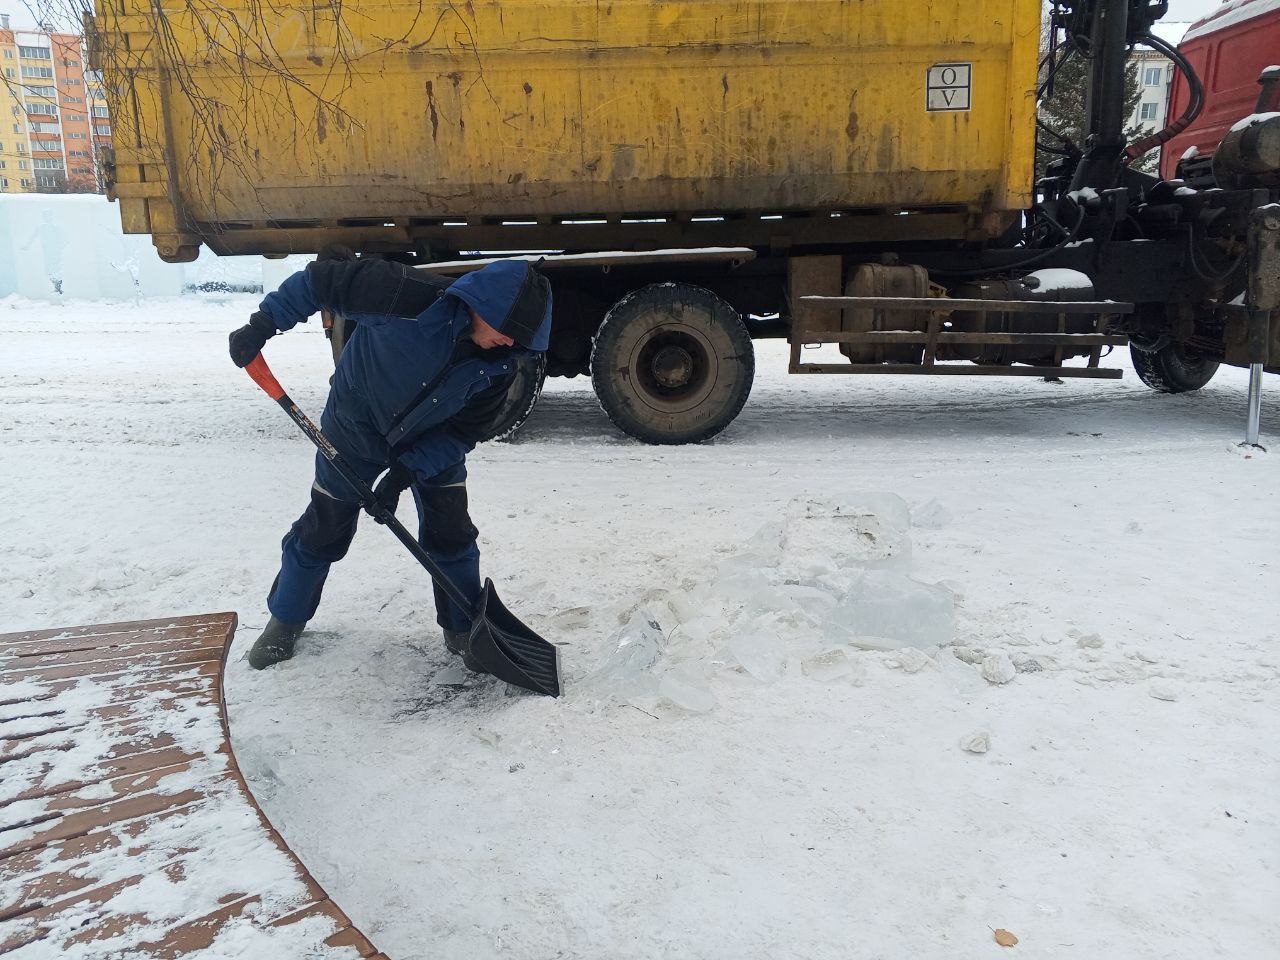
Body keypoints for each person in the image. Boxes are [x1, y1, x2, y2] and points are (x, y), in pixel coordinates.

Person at [228, 255, 552, 670]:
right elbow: (319, 281)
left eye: (522, 338)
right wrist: (263, 324)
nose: (512, 343)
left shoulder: (501, 364)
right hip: (353, 433)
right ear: (482, 305)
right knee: (323, 530)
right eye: (509, 331)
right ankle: (286, 619)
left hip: (429, 443)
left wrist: (405, 473)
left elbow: (461, 433)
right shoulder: (403, 294)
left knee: (451, 533)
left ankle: (462, 628)